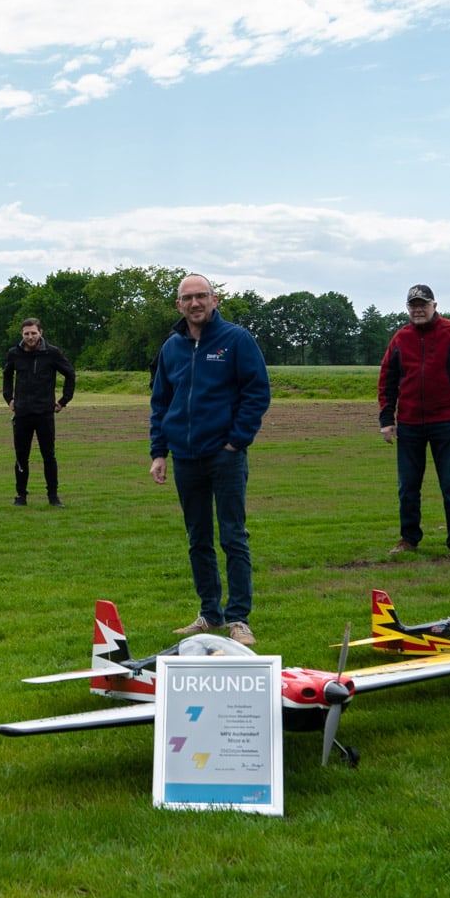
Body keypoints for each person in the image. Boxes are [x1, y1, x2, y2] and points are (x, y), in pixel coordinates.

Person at [149, 275, 271, 645]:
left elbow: (257, 392)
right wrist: (159, 452)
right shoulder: (171, 348)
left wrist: (237, 441)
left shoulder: (236, 340)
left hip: (225, 456)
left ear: (214, 300)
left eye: (202, 296)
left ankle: (238, 619)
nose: (195, 303)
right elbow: (161, 403)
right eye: (188, 298)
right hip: (186, 457)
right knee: (197, 538)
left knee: (233, 536)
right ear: (179, 305)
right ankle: (209, 614)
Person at [377, 284, 450, 561]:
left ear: (434, 305)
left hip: (447, 422)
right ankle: (409, 539)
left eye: (423, 304)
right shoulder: (400, 338)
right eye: (413, 305)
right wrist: (387, 420)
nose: (418, 309)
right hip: (410, 424)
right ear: (408, 309)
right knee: (408, 487)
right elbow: (387, 381)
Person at [2, 317, 76, 506]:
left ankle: (53, 496)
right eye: (26, 333)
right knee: (21, 456)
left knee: (48, 455)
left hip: (45, 413)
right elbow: (7, 375)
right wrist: (9, 398)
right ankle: (21, 496)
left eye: (33, 333)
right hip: (22, 413)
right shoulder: (14, 354)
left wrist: (63, 401)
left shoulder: (52, 353)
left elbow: (70, 374)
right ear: (22, 334)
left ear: (40, 333)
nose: (30, 337)